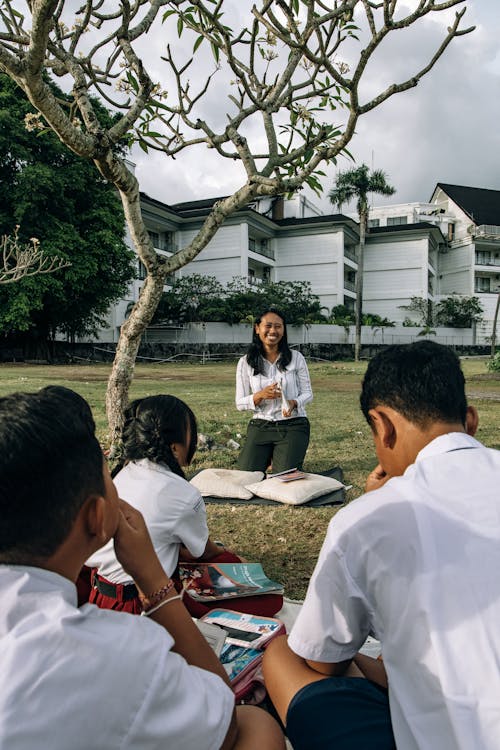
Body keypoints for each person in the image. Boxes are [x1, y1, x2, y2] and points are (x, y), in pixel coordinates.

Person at [0, 385, 285, 750]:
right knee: (257, 727)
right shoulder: (121, 650)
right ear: (98, 516)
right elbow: (224, 720)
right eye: (106, 476)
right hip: (143, 602)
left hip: (104, 592)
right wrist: (154, 579)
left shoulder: (128, 476)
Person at [263, 341, 500, 750]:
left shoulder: (367, 521)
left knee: (282, 654)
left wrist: (372, 507)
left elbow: (323, 661)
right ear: (471, 420)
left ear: (383, 425)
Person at [87, 394, 283, 617]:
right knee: (268, 599)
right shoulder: (182, 493)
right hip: (144, 604)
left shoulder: (123, 471)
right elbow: (202, 552)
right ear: (175, 446)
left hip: (100, 595)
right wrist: (233, 557)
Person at [236, 308, 313, 474]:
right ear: (257, 328)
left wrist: (294, 403)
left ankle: (281, 455)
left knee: (283, 476)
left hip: (293, 424)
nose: (273, 331)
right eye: (268, 326)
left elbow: (308, 394)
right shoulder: (245, 362)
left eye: (278, 326)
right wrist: (260, 395)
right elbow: (239, 403)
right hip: (261, 424)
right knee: (246, 476)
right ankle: (270, 454)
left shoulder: (296, 358)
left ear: (283, 330)